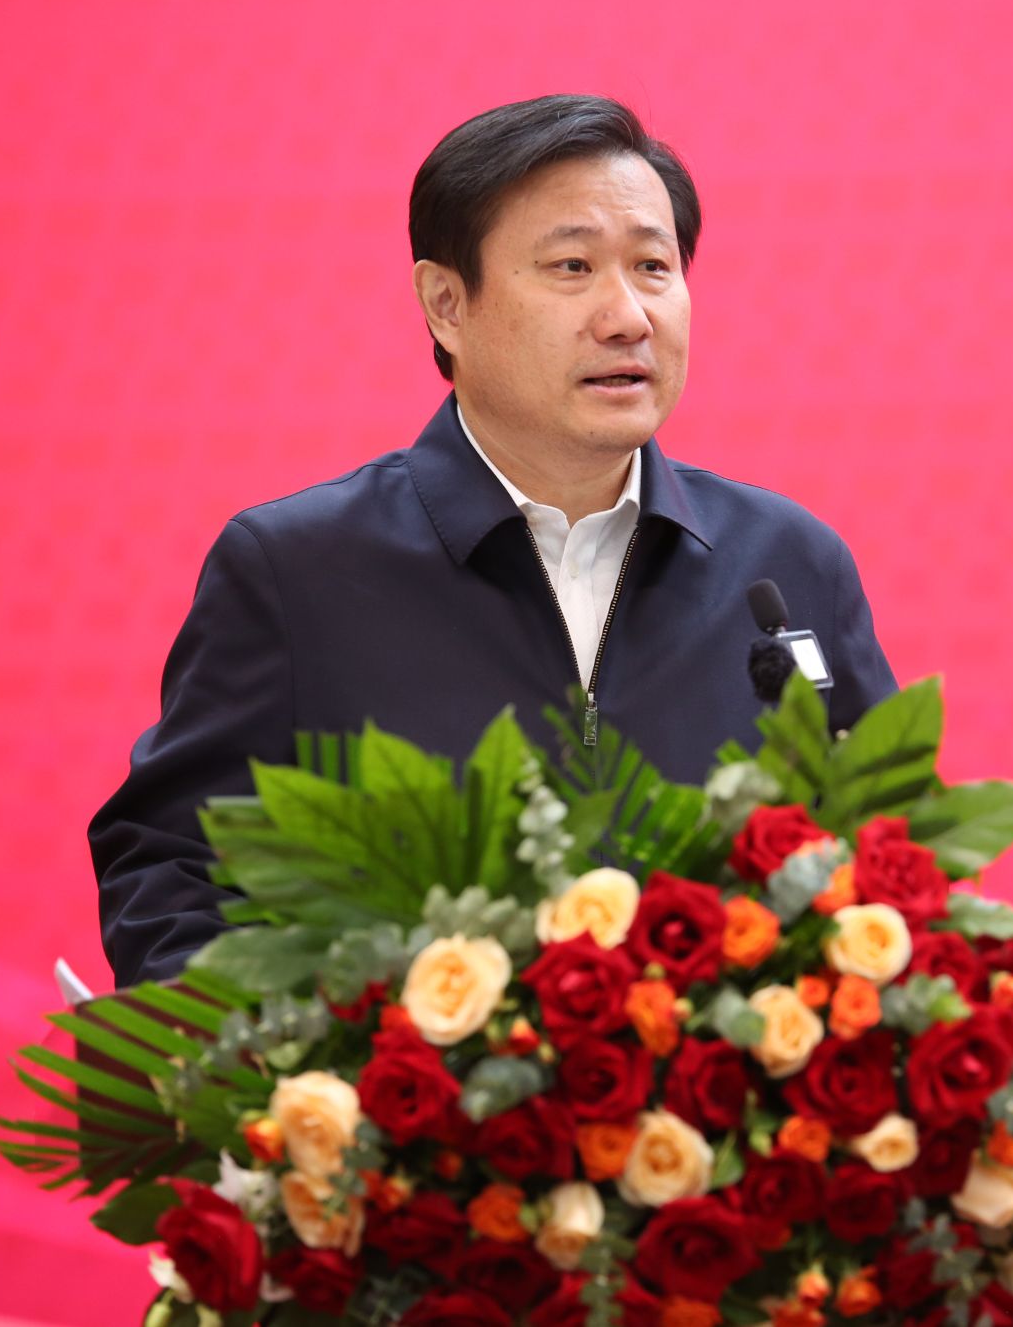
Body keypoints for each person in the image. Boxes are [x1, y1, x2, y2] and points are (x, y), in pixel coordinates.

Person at [91, 94, 897, 988]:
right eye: (572, 266)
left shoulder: (787, 566)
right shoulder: (299, 573)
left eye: (653, 266)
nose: (627, 315)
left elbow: (895, 864)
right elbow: (175, 868)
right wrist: (276, 1054)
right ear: (446, 304)